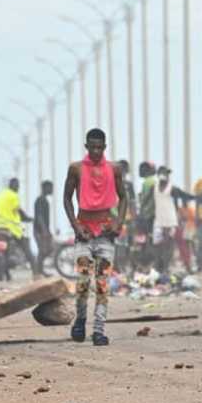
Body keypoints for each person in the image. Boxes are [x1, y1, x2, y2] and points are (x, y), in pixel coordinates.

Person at [63, 128, 129, 346]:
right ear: (86, 146)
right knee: (82, 281)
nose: (96, 151)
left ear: (105, 147)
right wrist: (75, 226)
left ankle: (99, 330)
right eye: (92, 147)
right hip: (84, 233)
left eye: (100, 147)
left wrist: (119, 222)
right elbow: (67, 199)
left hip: (106, 234)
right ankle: (80, 320)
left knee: (102, 284)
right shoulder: (76, 169)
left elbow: (123, 198)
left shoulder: (114, 169)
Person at [153, 167, 194, 273]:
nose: (163, 175)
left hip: (171, 221)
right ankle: (161, 267)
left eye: (165, 173)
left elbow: (185, 196)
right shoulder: (155, 187)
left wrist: (198, 197)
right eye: (162, 173)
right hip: (159, 220)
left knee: (177, 243)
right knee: (160, 245)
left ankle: (187, 266)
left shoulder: (172, 188)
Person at [33, 181, 54, 276]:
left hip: (44, 229)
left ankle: (39, 270)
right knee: (42, 250)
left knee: (49, 249)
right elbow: (39, 216)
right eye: (50, 187)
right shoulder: (40, 200)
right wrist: (44, 230)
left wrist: (48, 230)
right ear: (45, 188)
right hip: (40, 230)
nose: (52, 189)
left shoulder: (44, 200)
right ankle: (38, 271)